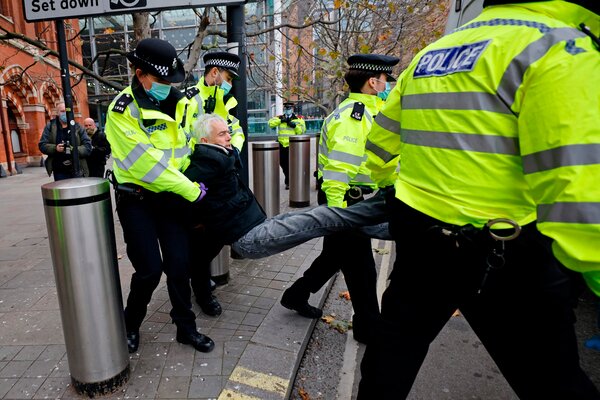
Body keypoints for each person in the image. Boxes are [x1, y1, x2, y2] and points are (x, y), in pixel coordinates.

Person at [357, 0, 600, 398]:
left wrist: (393, 188)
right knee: (553, 380)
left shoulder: (430, 55)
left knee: (391, 359)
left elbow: (381, 145)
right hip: (507, 251)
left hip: (420, 235)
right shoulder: (560, 48)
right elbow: (581, 199)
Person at [104, 38, 214, 355]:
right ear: (141, 74)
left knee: (179, 266)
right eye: (162, 79)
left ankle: (186, 328)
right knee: (150, 270)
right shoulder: (122, 110)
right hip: (137, 199)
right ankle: (130, 324)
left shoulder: (180, 103)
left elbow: (187, 149)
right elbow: (147, 166)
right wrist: (192, 190)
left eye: (170, 79)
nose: (168, 85)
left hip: (172, 198)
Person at [280, 54, 399, 344]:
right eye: (385, 81)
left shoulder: (370, 111)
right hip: (346, 201)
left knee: (334, 257)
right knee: (362, 269)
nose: (388, 86)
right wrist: (337, 214)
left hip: (355, 200)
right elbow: (338, 171)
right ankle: (369, 327)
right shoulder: (353, 116)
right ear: (373, 82)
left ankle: (296, 295)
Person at [183, 113, 390, 262]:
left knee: (323, 216)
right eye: (222, 134)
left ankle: (389, 223)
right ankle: (389, 212)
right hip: (248, 238)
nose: (228, 137)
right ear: (205, 140)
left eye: (227, 132)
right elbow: (182, 196)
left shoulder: (220, 156)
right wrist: (197, 222)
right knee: (322, 218)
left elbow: (237, 138)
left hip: (256, 225)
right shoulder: (206, 164)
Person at [185, 51, 245, 151]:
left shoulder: (225, 101)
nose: (230, 84)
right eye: (228, 78)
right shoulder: (188, 99)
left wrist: (234, 152)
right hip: (196, 164)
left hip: (222, 163)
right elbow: (182, 137)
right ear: (214, 72)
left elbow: (236, 131)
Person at [38, 102, 92, 181]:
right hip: (59, 170)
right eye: (62, 111)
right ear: (57, 113)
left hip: (77, 168)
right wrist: (55, 148)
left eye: (67, 111)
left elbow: (88, 147)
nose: (65, 114)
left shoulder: (78, 127)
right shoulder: (50, 127)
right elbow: (42, 145)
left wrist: (73, 149)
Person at [269, 101, 306, 189]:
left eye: (289, 108)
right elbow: (270, 124)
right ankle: (289, 178)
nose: (287, 110)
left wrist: (294, 126)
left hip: (292, 145)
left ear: (292, 109)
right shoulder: (280, 118)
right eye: (286, 108)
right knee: (283, 164)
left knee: (291, 164)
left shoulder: (298, 119)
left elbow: (302, 131)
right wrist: (281, 120)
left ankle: (289, 181)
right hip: (281, 145)